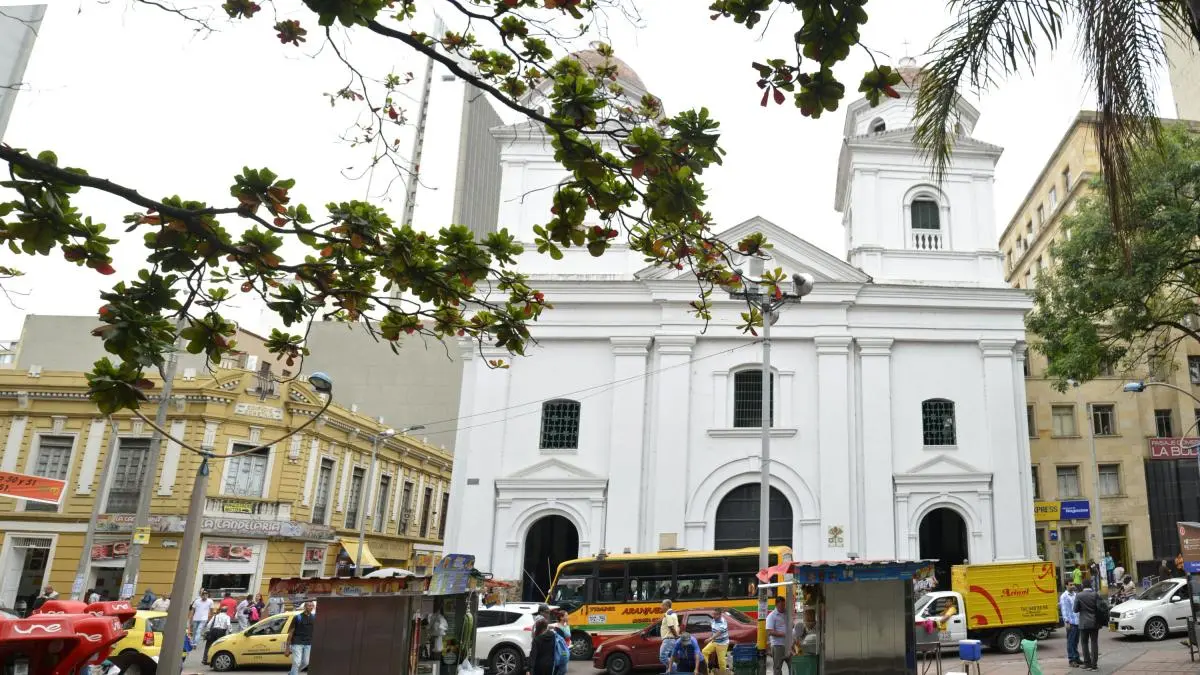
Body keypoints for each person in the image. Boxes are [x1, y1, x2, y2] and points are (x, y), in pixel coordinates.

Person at [1074, 583, 1109, 671]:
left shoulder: (1079, 595)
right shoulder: (1096, 594)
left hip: (1084, 623)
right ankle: (1094, 665)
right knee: (1094, 643)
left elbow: (1075, 609)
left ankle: (1087, 664)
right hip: (1095, 622)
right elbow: (1102, 607)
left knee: (1084, 643)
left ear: (1083, 586)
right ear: (1091, 586)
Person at [287, 600, 316, 675]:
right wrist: (287, 648)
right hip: (297, 642)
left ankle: (292, 673)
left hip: (308, 643)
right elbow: (290, 632)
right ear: (304, 607)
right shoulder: (297, 617)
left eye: (312, 606)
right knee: (297, 662)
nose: (311, 607)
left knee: (306, 662)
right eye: (309, 606)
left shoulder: (314, 617)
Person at [1059, 583, 1082, 668]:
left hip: (1077, 622)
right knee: (1071, 642)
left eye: (1073, 584)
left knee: (1076, 641)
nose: (1073, 586)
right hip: (1071, 622)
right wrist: (1066, 621)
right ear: (1066, 585)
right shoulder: (1064, 596)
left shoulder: (1075, 595)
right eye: (1070, 584)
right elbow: (1064, 610)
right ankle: (1071, 660)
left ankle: (1076, 658)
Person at [766, 596, 788, 675]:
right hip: (778, 645)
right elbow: (769, 631)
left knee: (793, 664)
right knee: (777, 667)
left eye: (784, 605)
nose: (783, 607)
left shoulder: (786, 613)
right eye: (781, 606)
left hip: (788, 644)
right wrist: (783, 634)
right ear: (776, 605)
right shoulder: (771, 616)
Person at [659, 600, 680, 666]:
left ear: (666, 606)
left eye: (662, 605)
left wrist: (676, 636)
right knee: (672, 658)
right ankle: (671, 671)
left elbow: (671, 627)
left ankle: (674, 669)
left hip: (668, 639)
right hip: (672, 639)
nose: (661, 607)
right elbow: (677, 626)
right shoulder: (674, 613)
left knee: (663, 657)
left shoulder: (668, 614)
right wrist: (676, 636)